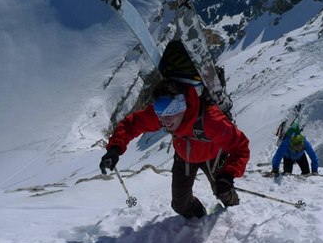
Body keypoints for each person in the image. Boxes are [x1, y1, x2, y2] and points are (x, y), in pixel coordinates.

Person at [100, 79, 250, 219]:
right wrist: (114, 148)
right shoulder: (165, 114)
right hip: (184, 157)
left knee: (224, 191)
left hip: (214, 156)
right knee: (180, 205)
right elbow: (131, 124)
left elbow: (240, 146)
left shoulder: (211, 119)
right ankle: (200, 217)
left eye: (171, 110)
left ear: (183, 105)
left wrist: (228, 175)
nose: (164, 119)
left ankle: (233, 215)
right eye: (159, 110)